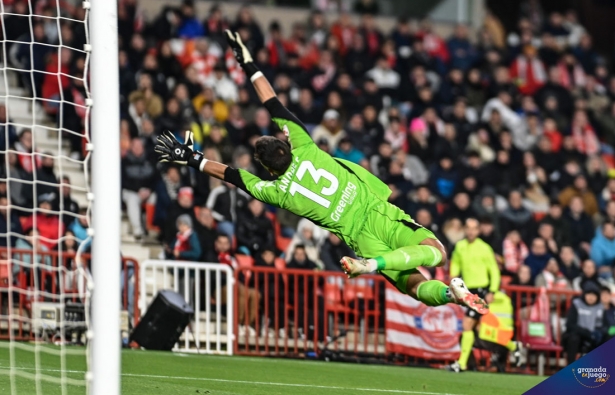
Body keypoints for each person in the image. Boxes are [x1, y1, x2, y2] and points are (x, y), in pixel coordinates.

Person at [155, 30, 489, 323]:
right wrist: (249, 65)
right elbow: (272, 102)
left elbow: (232, 175)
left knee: (414, 286)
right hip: (377, 213)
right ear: (286, 141)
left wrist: (195, 160)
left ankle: (441, 292)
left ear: (269, 169)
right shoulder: (304, 145)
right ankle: (388, 270)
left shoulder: (275, 192)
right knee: (436, 251)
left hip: (359, 238)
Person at [447, 218, 500, 372]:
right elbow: (455, 263)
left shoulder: (485, 248)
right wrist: (453, 278)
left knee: (467, 324)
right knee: (478, 329)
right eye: (468, 228)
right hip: (467, 290)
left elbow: (494, 271)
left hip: (481, 291)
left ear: (478, 230)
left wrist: (493, 290)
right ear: (465, 229)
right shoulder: (460, 246)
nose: (471, 231)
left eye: (474, 228)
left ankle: (461, 364)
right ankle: (513, 346)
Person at [562, 281, 603, 365]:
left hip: (592, 337)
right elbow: (570, 325)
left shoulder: (600, 307)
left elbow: (601, 325)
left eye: (593, 295)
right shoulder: (576, 304)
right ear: (584, 294)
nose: (591, 297)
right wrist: (587, 333)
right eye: (589, 294)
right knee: (573, 338)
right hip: (577, 336)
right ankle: (570, 365)